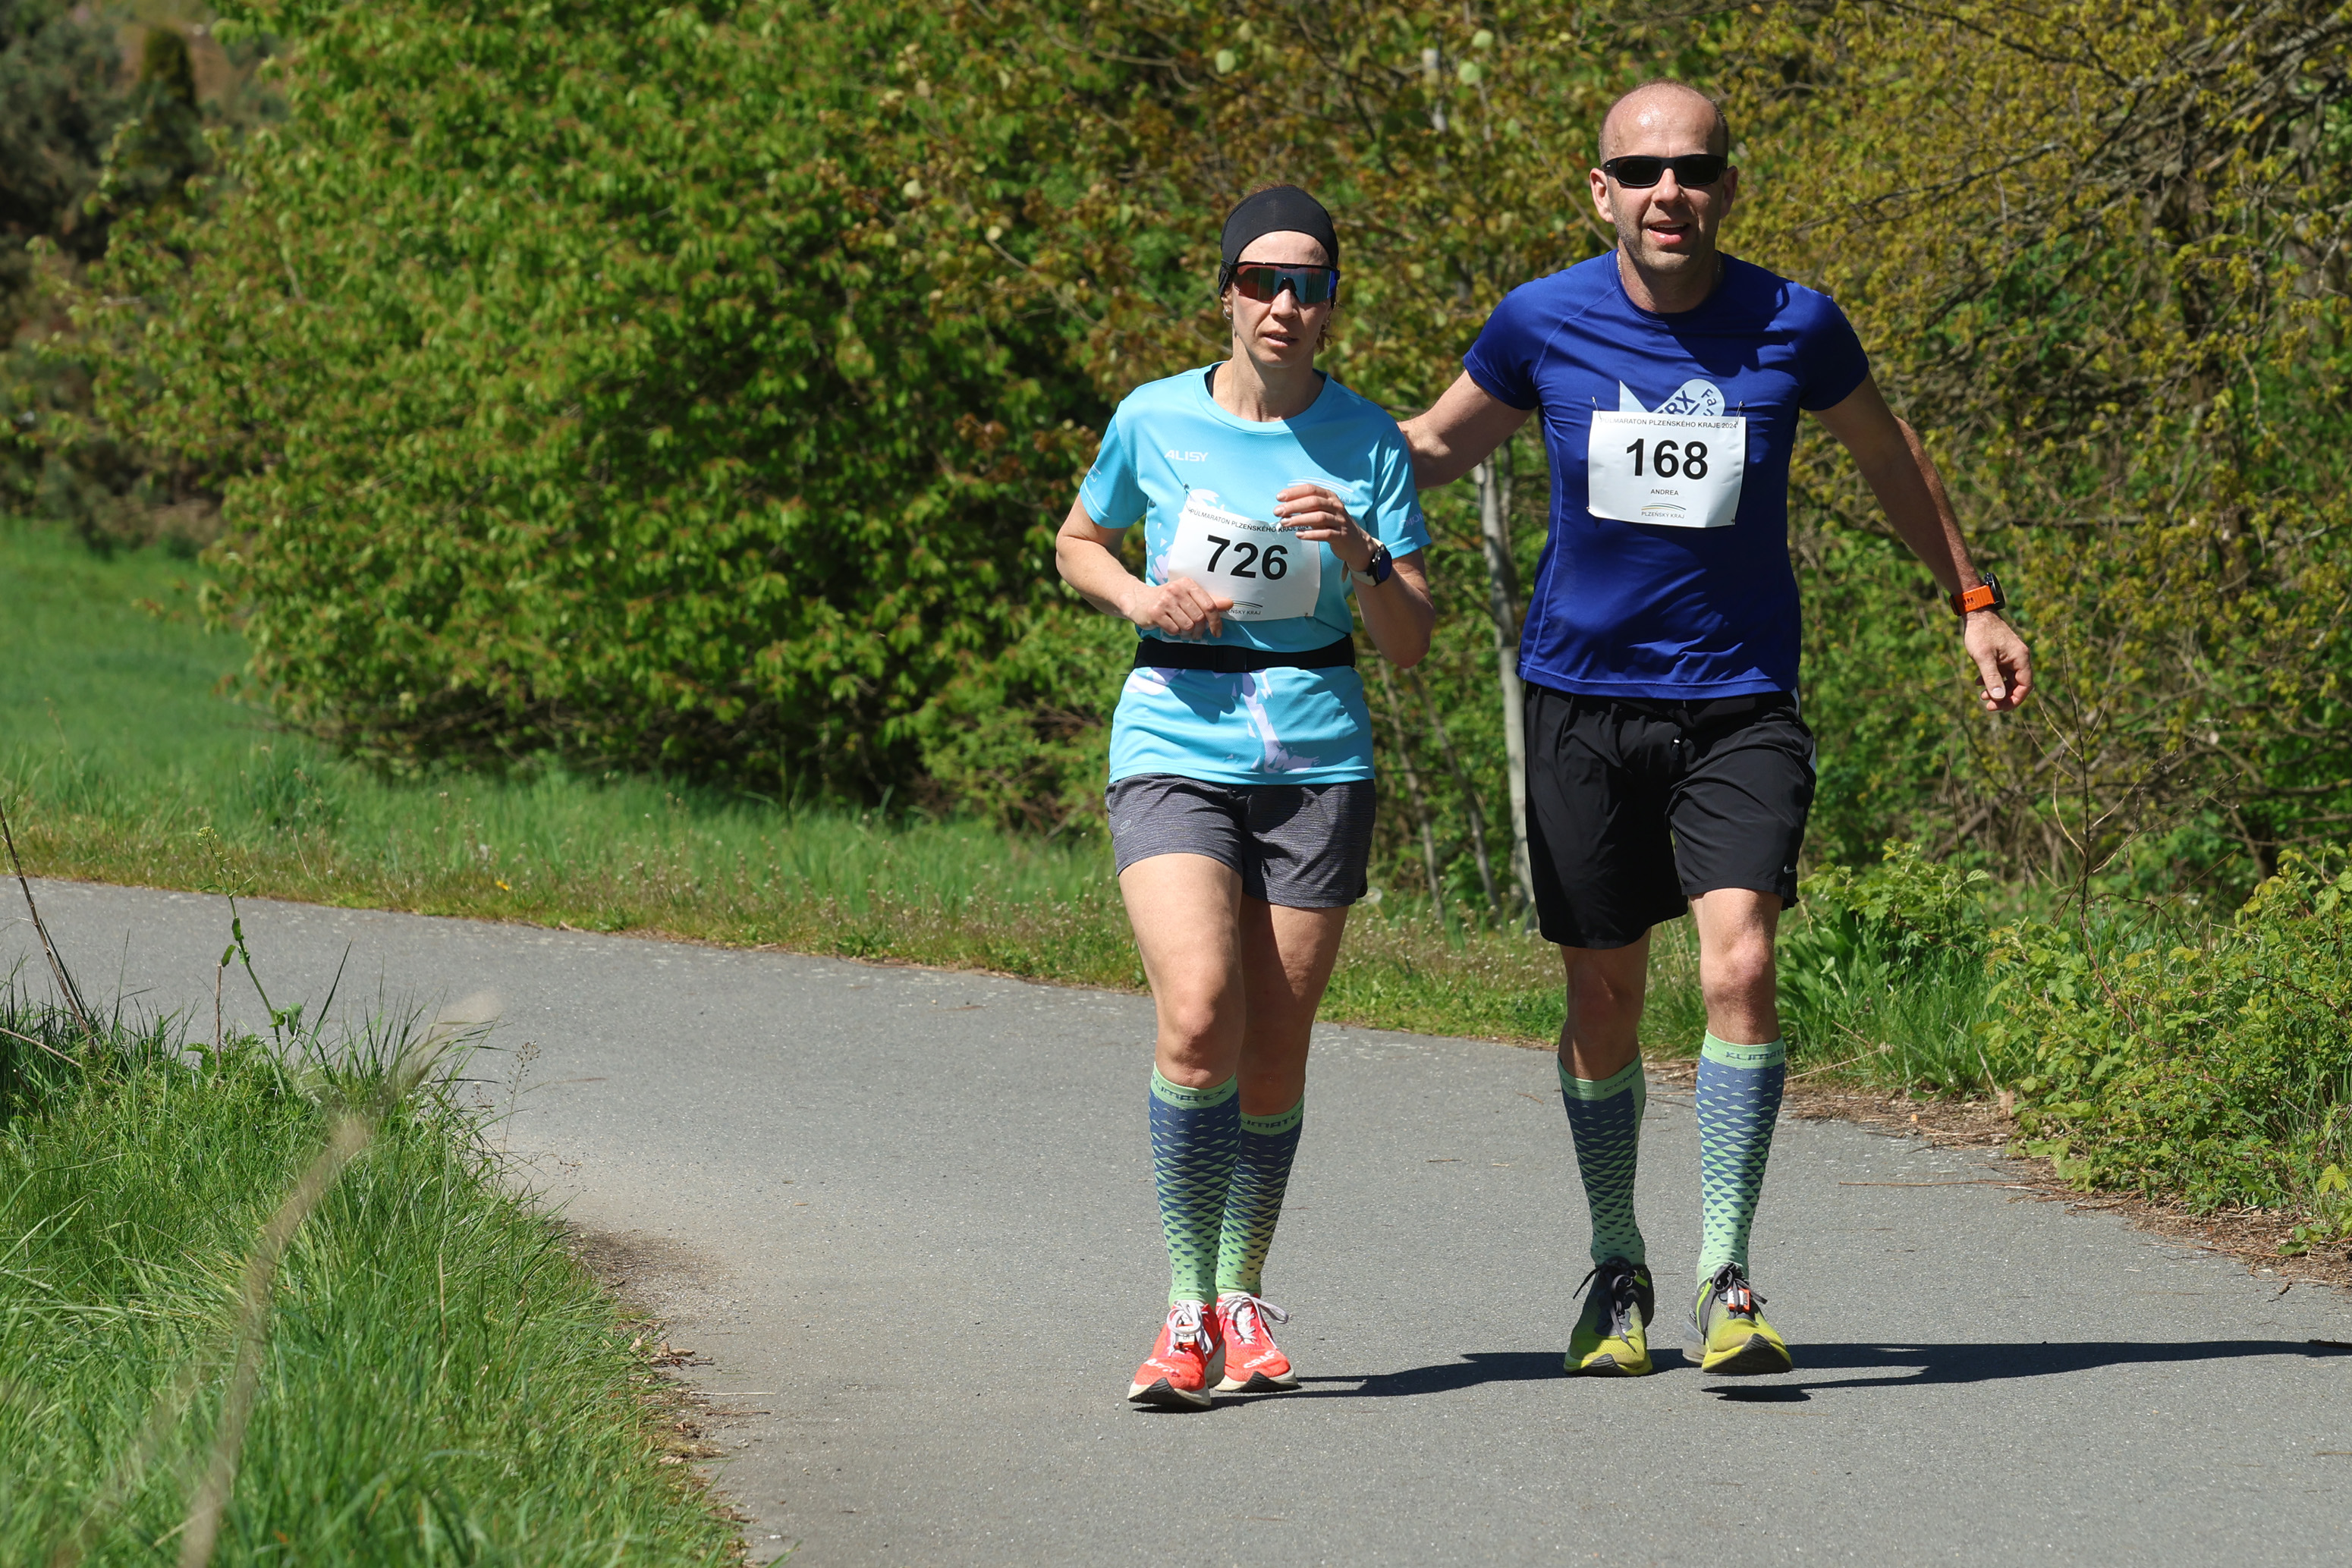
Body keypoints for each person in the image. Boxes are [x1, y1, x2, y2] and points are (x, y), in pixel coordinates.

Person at [1400, 81, 2032, 1377]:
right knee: (1605, 993)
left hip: (1740, 701)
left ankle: (1725, 1275)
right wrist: (1282, 443)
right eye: (1640, 173)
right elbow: (1432, 450)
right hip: (1581, 700)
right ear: (1601, 192)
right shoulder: (1540, 320)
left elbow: (1890, 457)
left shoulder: (1796, 322)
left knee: (1740, 966)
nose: (1667, 192)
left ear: (1728, 187)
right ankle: (1617, 1260)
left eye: (1692, 169)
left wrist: (1974, 602)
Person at [1056, 186, 1435, 1409]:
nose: (1284, 304)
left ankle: (1239, 1291)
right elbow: (1077, 541)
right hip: (1175, 735)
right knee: (1199, 1011)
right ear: (1225, 292)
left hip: (1315, 758)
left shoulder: (1368, 441)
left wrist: (1362, 552)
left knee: (1273, 1057)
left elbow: (1411, 640)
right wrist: (1139, 597)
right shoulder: (1153, 417)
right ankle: (1183, 1309)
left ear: (1331, 304)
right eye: (1263, 281)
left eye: (1308, 285)